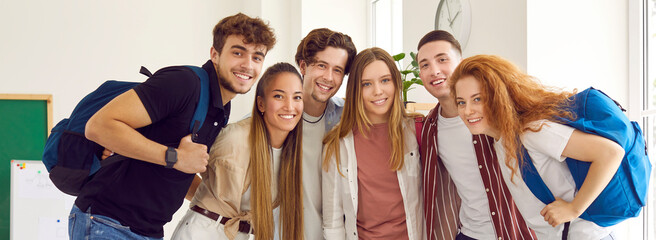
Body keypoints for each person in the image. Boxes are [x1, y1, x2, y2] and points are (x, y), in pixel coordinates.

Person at [69, 13, 276, 240]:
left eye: (257, 57)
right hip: (107, 222)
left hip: (148, 231)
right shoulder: (184, 83)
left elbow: (182, 170)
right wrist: (174, 157)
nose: (247, 65)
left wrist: (223, 207)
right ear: (215, 54)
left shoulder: (220, 108)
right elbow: (98, 126)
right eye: (238, 52)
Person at [450, 54, 623, 240]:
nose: (467, 111)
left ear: (498, 96)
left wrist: (574, 209)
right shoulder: (501, 141)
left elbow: (611, 153)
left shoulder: (531, 132)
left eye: (477, 99)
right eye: (461, 102)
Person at [416, 30, 536, 240]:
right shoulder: (429, 128)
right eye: (425, 65)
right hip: (470, 234)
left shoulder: (499, 113)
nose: (434, 70)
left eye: (442, 59)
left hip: (519, 233)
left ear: (461, 63)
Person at [172, 62, 304, 240]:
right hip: (203, 232)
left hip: (240, 234)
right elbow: (181, 169)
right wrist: (210, 199)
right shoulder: (235, 136)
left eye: (297, 97)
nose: (289, 106)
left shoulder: (294, 152)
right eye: (279, 96)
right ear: (261, 104)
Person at [322, 47, 424, 240]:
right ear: (355, 90)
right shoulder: (337, 144)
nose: (378, 91)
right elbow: (332, 219)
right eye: (366, 84)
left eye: (385, 80)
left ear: (396, 83)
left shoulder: (416, 130)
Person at [294, 28, 357, 240]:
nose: (329, 78)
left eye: (338, 70)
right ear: (303, 66)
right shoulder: (273, 118)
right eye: (321, 66)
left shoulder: (348, 117)